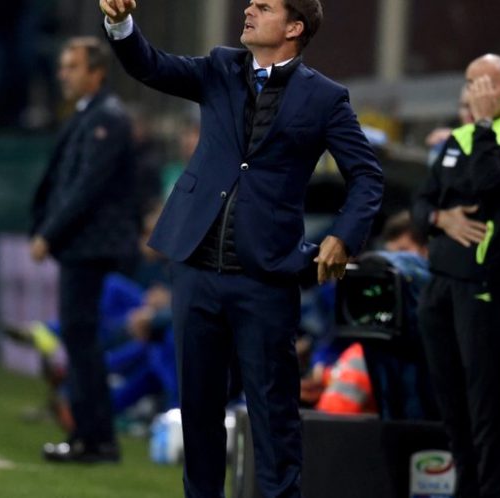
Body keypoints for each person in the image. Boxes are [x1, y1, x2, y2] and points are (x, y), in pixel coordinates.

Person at [100, 0, 384, 495]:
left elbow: (367, 175)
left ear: (294, 27)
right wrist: (120, 23)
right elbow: (150, 65)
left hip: (266, 278)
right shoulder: (220, 67)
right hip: (196, 269)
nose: (248, 9)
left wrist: (342, 236)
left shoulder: (326, 97)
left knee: (274, 417)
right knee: (198, 414)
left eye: (263, 5)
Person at [412, 54, 500, 498]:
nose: (475, 93)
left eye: (485, 84)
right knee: (450, 405)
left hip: (484, 290)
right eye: (470, 83)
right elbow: (419, 204)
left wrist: (485, 126)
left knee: (486, 408)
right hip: (439, 286)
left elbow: (487, 183)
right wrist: (440, 218)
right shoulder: (458, 140)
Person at [30, 36, 140, 463]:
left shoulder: (106, 117)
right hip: (80, 244)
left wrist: (49, 233)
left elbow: (86, 187)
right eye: (63, 66)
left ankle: (93, 437)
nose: (63, 74)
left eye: (72, 66)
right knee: (79, 338)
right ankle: (91, 436)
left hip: (89, 245)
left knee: (81, 338)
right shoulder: (87, 114)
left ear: (97, 72)